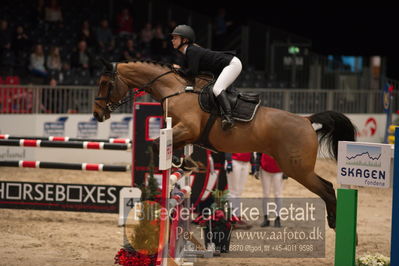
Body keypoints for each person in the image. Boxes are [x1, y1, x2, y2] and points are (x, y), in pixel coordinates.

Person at [170, 24, 242, 130]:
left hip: (232, 64)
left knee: (217, 89)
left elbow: (192, 72)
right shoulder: (187, 53)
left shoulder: (191, 50)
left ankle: (229, 117)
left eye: (175, 38)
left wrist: (178, 69)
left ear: (184, 40)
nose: (172, 40)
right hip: (225, 66)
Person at [254, 153, 285, 228]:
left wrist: (286, 170)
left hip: (279, 169)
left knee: (278, 194)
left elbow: (286, 153)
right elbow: (259, 152)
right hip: (265, 169)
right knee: (266, 194)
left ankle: (277, 218)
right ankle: (266, 218)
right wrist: (257, 168)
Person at [225, 153, 252, 229]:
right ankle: (232, 218)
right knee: (233, 191)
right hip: (234, 160)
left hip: (246, 161)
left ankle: (237, 216)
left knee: (239, 192)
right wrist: (229, 161)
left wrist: (253, 162)